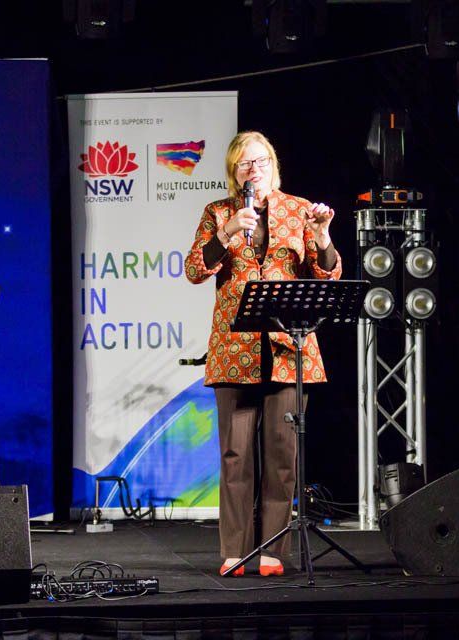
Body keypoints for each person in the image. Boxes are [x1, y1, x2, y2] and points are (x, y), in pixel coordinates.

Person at [185, 131, 341, 577]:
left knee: (282, 453)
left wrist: (324, 237)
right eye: (244, 164)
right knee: (235, 455)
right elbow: (195, 269)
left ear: (274, 165)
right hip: (236, 350)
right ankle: (235, 550)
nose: (254, 170)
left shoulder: (299, 210)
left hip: (288, 348)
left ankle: (274, 550)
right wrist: (227, 232)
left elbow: (327, 272)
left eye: (261, 162)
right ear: (234, 174)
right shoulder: (218, 212)